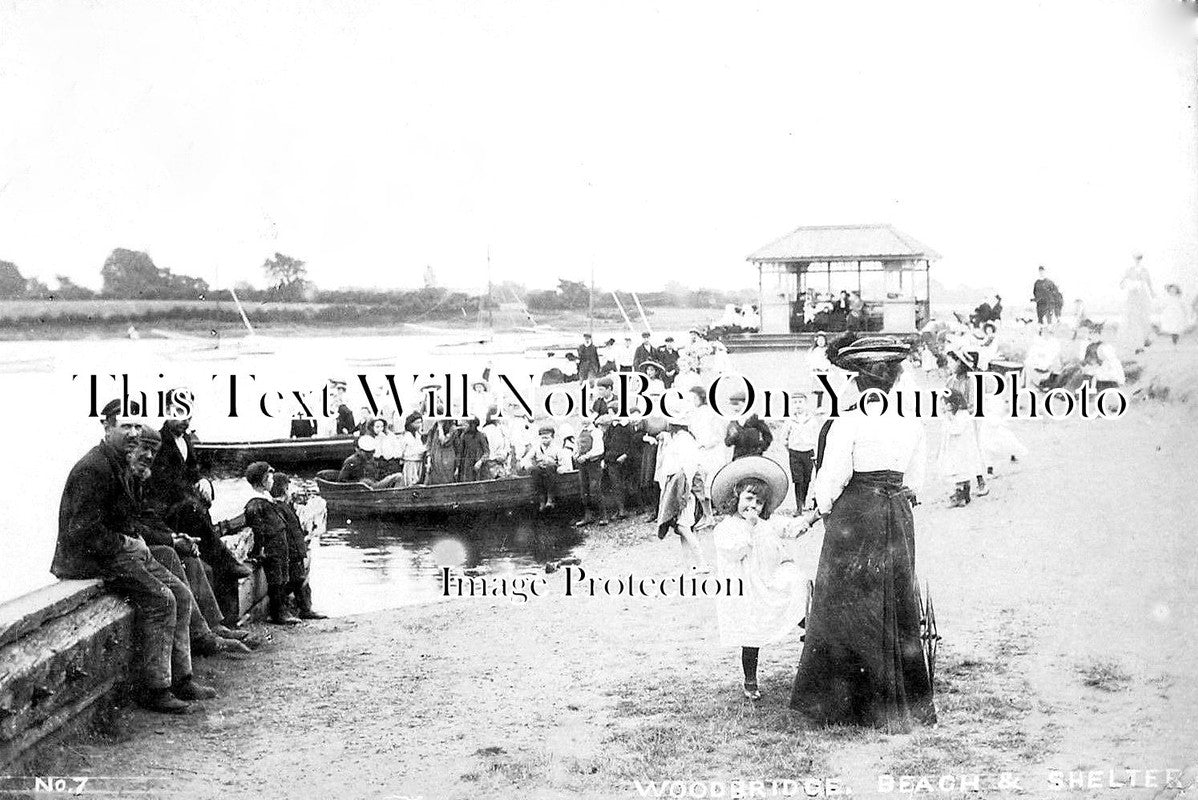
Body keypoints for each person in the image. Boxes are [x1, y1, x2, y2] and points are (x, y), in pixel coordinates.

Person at [788, 336, 935, 731]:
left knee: (846, 599)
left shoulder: (848, 422)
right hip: (897, 512)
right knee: (895, 596)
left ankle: (848, 702)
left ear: (861, 382)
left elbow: (832, 477)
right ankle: (898, 699)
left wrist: (817, 510)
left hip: (856, 513)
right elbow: (916, 481)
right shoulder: (911, 422)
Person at [53, 399, 213, 714]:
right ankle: (156, 689)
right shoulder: (93, 468)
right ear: (106, 425)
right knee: (162, 599)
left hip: (118, 552)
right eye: (125, 426)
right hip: (88, 561)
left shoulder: (120, 463)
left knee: (180, 593)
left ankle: (182, 678)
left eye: (137, 426)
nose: (133, 434)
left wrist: (135, 539)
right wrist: (127, 542)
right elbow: (80, 534)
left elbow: (127, 519)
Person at [128, 426, 251, 656]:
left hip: (150, 536)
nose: (149, 457)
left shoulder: (141, 474)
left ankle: (213, 628)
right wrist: (171, 540)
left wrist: (175, 537)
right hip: (131, 548)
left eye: (152, 452)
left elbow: (148, 517)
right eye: (143, 450)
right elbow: (134, 525)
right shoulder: (128, 477)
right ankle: (203, 637)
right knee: (178, 554)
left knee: (193, 560)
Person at [711, 458, 808, 701]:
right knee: (751, 635)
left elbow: (789, 527)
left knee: (797, 588)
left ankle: (812, 655)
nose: (753, 506)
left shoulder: (767, 523)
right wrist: (750, 528)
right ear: (737, 498)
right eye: (748, 499)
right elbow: (736, 551)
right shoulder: (726, 528)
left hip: (769, 581)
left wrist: (811, 519)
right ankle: (750, 680)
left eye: (759, 501)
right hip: (746, 588)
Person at [243, 461, 301, 625]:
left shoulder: (266, 500)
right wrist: (259, 549)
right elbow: (258, 529)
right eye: (269, 478)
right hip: (271, 547)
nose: (272, 481)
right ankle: (279, 614)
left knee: (282, 577)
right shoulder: (256, 503)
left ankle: (283, 610)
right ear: (261, 481)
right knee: (276, 580)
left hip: (279, 544)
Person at [654, 417, 710, 573]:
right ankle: (689, 566)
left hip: (684, 486)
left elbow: (688, 466)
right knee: (682, 529)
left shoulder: (683, 440)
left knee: (683, 526)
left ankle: (702, 563)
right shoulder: (679, 438)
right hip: (678, 483)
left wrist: (684, 489)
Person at [269, 473, 327, 619]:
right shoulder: (279, 508)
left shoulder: (283, 507)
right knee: (298, 579)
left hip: (296, 550)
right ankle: (299, 609)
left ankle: (305, 608)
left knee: (301, 579)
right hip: (292, 551)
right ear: (285, 490)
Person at [687, 386, 730, 528]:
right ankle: (707, 516)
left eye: (695, 398)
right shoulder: (694, 414)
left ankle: (721, 515)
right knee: (700, 484)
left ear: (702, 398)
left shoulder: (712, 413)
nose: (693, 401)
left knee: (711, 484)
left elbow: (720, 435)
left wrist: (706, 444)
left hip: (713, 452)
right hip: (700, 452)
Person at [939, 390, 982, 507]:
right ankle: (964, 495)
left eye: (947, 404)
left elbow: (955, 430)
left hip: (962, 450)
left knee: (960, 471)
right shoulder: (956, 415)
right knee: (960, 470)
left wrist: (948, 419)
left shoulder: (962, 415)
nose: (945, 407)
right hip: (957, 448)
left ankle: (961, 495)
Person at [783, 391, 823, 511]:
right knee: (798, 480)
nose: (798, 405)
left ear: (805, 404)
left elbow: (816, 438)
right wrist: (790, 449)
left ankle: (804, 501)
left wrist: (815, 452)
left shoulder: (812, 420)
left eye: (800, 402)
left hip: (808, 452)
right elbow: (784, 438)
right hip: (795, 453)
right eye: (795, 402)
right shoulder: (789, 420)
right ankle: (799, 507)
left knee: (806, 479)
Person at [523, 423, 567, 511]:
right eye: (542, 438)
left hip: (551, 471)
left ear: (552, 438)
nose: (544, 440)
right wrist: (530, 466)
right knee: (535, 471)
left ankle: (550, 499)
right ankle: (542, 501)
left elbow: (563, 462)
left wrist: (560, 468)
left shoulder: (556, 448)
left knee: (550, 467)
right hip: (540, 471)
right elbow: (525, 459)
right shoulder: (536, 448)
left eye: (547, 438)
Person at [574, 413, 606, 527]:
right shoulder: (580, 431)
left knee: (595, 489)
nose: (584, 421)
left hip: (593, 464)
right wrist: (576, 454)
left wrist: (586, 456)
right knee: (584, 490)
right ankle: (588, 516)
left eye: (586, 417)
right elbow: (577, 445)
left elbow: (599, 449)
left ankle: (603, 516)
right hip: (582, 464)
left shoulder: (596, 432)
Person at [337, 437, 405, 489]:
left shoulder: (372, 460)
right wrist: (359, 483)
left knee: (398, 476)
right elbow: (342, 480)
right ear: (358, 450)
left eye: (372, 452)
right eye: (367, 453)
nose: (370, 455)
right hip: (362, 490)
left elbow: (378, 474)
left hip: (374, 486)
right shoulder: (351, 461)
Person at [1120, 253, 1155, 353]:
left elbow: (1149, 282)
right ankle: (1135, 344)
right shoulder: (1130, 270)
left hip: (1142, 297)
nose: (1137, 260)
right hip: (1132, 297)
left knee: (1142, 319)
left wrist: (1152, 292)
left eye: (1139, 258)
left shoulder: (1144, 270)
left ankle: (1141, 344)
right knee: (1132, 320)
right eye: (1136, 258)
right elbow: (1122, 282)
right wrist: (1127, 284)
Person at [724, 391, 773, 459]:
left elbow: (768, 436)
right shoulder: (733, 422)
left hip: (754, 456)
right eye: (732, 405)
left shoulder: (755, 418)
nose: (734, 408)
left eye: (736, 404)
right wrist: (733, 436)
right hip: (738, 457)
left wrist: (761, 448)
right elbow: (727, 443)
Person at [452, 416, 488, 481]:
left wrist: (480, 461)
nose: (464, 426)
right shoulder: (463, 436)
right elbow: (459, 453)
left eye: (467, 423)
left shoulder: (481, 436)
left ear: (473, 425)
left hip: (477, 467)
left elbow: (486, 452)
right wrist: (457, 468)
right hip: (465, 467)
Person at [425, 418, 459, 485]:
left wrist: (440, 427)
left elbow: (443, 441)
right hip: (435, 459)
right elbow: (429, 445)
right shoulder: (434, 429)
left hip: (447, 460)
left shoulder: (452, 429)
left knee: (446, 482)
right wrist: (429, 460)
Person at [399, 412, 428, 486]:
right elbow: (401, 450)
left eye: (420, 422)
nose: (419, 425)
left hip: (419, 461)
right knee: (410, 483)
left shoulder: (418, 435)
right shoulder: (406, 436)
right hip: (410, 462)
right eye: (417, 423)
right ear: (411, 424)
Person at [481, 411, 511, 479]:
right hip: (491, 464)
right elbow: (489, 448)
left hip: (500, 463)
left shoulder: (500, 429)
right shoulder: (487, 430)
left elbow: (505, 446)